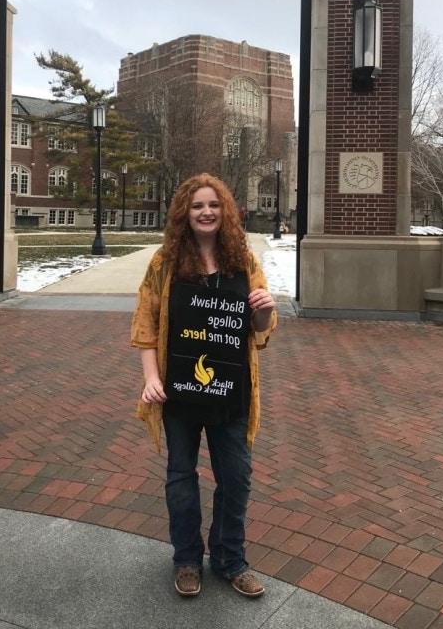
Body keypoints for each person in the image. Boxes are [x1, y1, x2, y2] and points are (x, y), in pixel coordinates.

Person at [131, 173, 277, 598]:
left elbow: (260, 330)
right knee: (181, 477)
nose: (206, 212)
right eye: (197, 206)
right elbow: (145, 323)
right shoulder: (165, 262)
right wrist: (151, 378)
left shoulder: (244, 261)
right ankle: (187, 559)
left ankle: (230, 559)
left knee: (236, 478)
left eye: (213, 205)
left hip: (231, 392)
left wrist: (265, 310)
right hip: (179, 393)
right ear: (185, 213)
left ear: (225, 211)